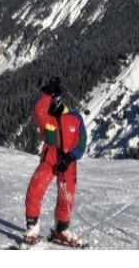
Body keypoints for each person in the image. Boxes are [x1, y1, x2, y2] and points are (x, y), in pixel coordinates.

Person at [24, 77, 87, 247]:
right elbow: (38, 110)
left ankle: (61, 228)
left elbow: (82, 142)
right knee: (35, 188)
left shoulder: (75, 118)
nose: (50, 105)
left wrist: (70, 157)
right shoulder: (46, 118)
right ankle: (32, 227)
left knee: (66, 196)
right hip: (49, 161)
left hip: (67, 163)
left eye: (53, 101)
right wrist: (46, 92)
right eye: (49, 102)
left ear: (59, 101)